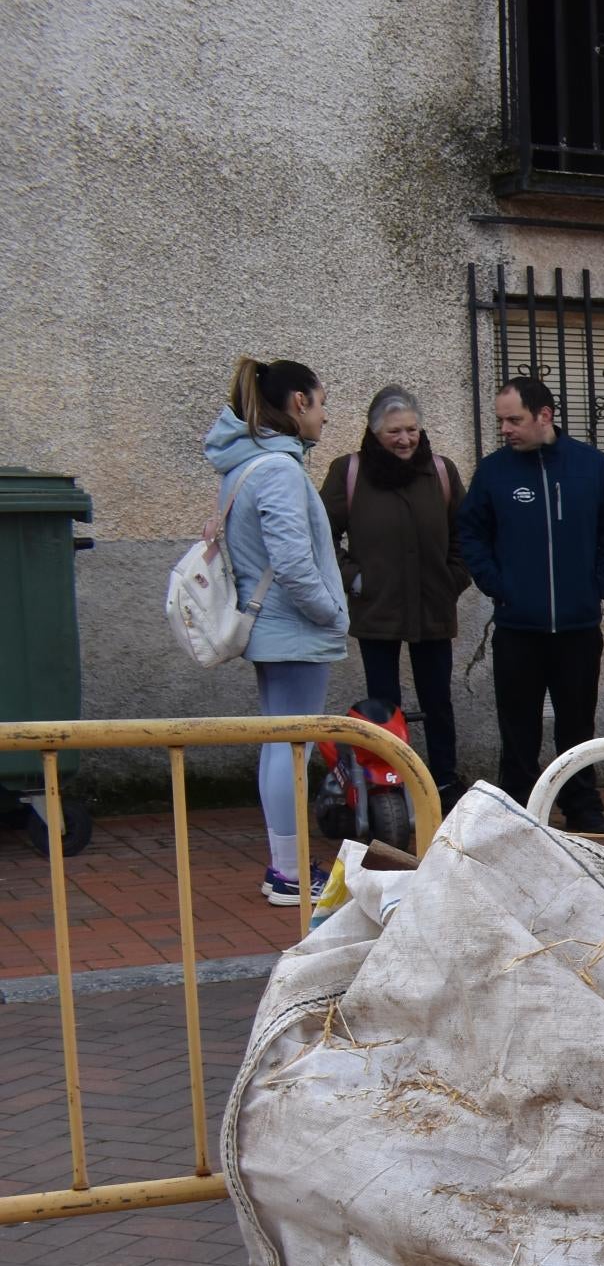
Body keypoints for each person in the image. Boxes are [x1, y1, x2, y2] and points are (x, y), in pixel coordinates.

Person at [454, 374, 604, 833]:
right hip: (518, 628)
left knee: (576, 727)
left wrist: (600, 584)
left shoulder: (590, 467)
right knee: (518, 730)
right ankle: (517, 813)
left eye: (514, 419)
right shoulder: (494, 472)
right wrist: (497, 583)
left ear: (545, 415)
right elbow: (470, 532)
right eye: (501, 421)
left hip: (578, 627)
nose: (505, 429)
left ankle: (582, 807)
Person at [205, 358, 348, 905]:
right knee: (290, 750)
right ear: (298, 404)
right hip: (293, 632)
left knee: (281, 747)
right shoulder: (279, 471)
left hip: (274, 629)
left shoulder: (248, 464)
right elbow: (292, 563)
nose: (326, 416)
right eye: (322, 402)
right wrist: (330, 612)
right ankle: (289, 875)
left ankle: (284, 869)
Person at [322, 387, 467, 788]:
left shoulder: (441, 472)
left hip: (433, 605)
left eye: (411, 430)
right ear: (373, 433)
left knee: (438, 701)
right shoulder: (348, 472)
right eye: (393, 432)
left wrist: (454, 577)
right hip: (377, 608)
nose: (405, 440)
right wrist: (354, 577)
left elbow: (466, 534)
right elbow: (320, 536)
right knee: (383, 707)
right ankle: (389, 782)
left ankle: (443, 782)